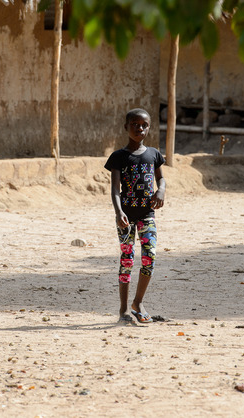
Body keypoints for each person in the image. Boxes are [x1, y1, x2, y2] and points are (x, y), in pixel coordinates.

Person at [105, 108, 166, 324]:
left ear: (149, 127)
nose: (139, 128)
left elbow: (161, 179)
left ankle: (137, 303)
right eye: (135, 124)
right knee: (127, 260)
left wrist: (161, 191)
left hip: (147, 215)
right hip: (126, 218)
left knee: (149, 257)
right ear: (126, 127)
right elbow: (114, 190)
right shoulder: (119, 157)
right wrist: (118, 211)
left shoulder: (154, 154)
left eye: (144, 125)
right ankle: (123, 310)